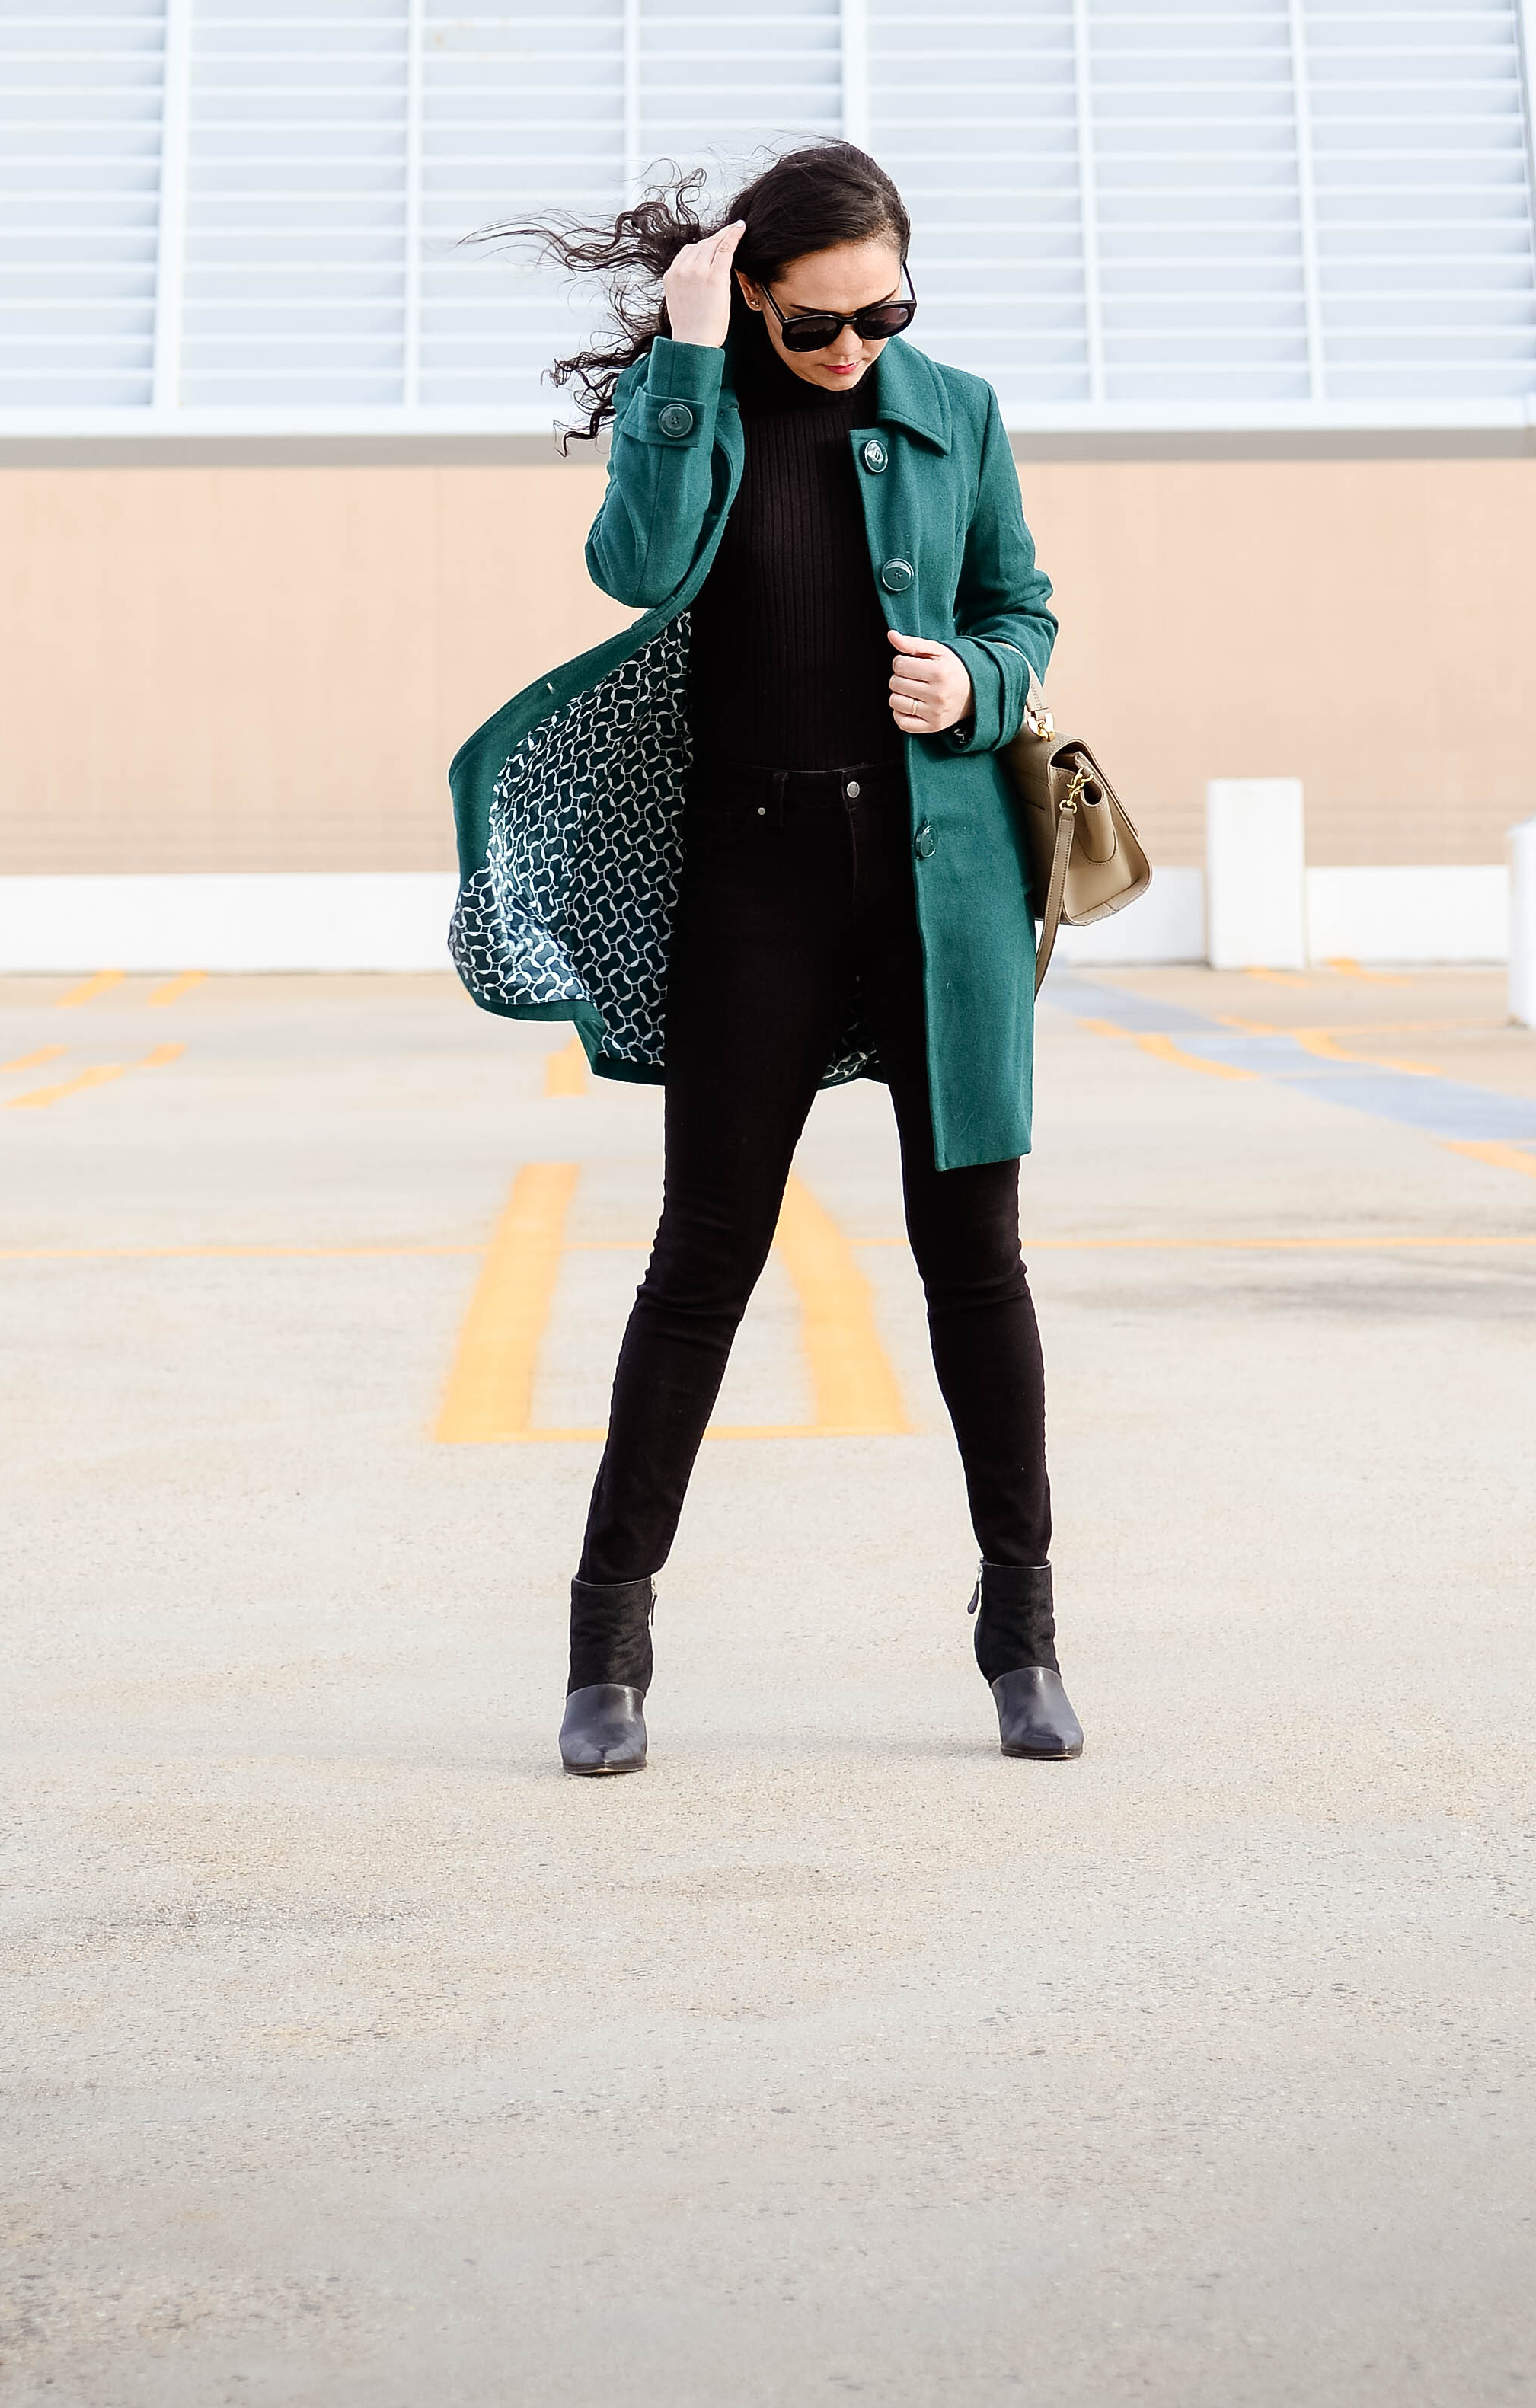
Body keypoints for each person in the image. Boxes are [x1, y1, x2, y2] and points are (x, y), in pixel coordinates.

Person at [448, 139, 1083, 1778]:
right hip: (755, 882)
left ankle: (1022, 1636)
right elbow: (637, 567)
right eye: (819, 323)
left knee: (977, 1264)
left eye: (888, 312)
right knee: (702, 1259)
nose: (857, 348)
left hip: (941, 889)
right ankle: (607, 1654)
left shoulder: (960, 409)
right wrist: (684, 357)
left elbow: (1021, 604)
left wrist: (981, 684)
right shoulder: (705, 400)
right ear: (752, 295)